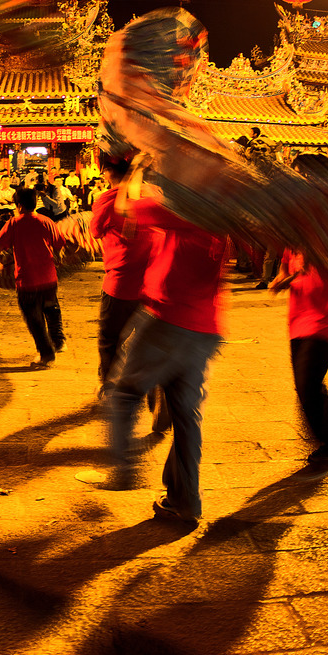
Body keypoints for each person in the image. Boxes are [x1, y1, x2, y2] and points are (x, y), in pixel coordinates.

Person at [105, 184, 227, 523]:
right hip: (204, 327)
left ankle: (125, 469)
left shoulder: (180, 206)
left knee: (124, 394)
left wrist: (137, 169)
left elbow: (126, 206)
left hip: (166, 321)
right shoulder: (219, 212)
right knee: (187, 418)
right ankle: (185, 500)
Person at [271, 154, 328, 478]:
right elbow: (288, 256)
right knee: (306, 383)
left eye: (302, 176)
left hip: (327, 309)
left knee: (307, 381)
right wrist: (283, 276)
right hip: (299, 311)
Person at [89, 152, 159, 395]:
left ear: (108, 172)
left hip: (120, 283)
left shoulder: (106, 200)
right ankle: (154, 385)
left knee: (110, 339)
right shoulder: (154, 195)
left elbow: (96, 231)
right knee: (149, 339)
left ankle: (108, 384)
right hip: (154, 283)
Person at [0, 187, 68, 368]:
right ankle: (59, 342)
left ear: (19, 206)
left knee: (34, 319)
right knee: (52, 309)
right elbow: (60, 244)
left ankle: (46, 354)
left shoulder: (14, 223)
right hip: (49, 276)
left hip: (27, 280)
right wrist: (57, 257)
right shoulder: (46, 221)